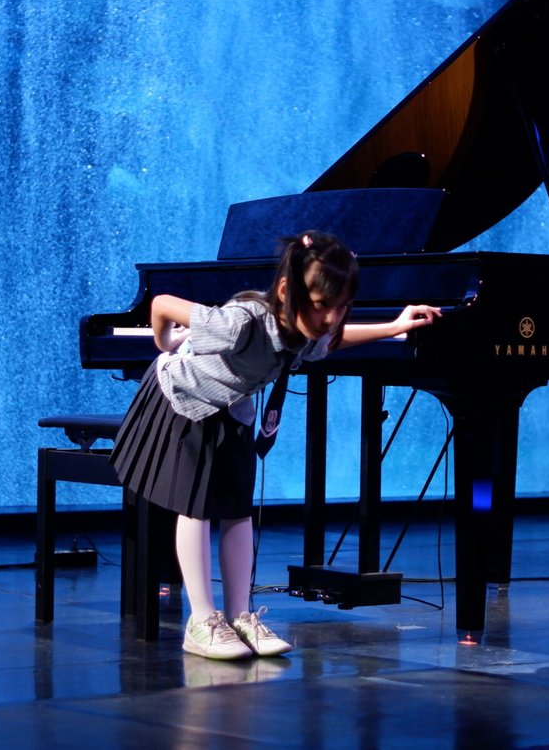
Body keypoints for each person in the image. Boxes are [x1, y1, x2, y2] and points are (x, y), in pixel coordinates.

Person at [111, 230, 441, 660]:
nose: (330, 318)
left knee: (237, 509)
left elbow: (333, 340)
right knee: (196, 507)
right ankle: (201, 621)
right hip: (184, 399)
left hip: (231, 407)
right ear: (286, 291)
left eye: (341, 307)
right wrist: (166, 343)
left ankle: (240, 615)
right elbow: (161, 305)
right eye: (321, 305)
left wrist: (395, 327)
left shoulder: (305, 330)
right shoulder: (241, 321)